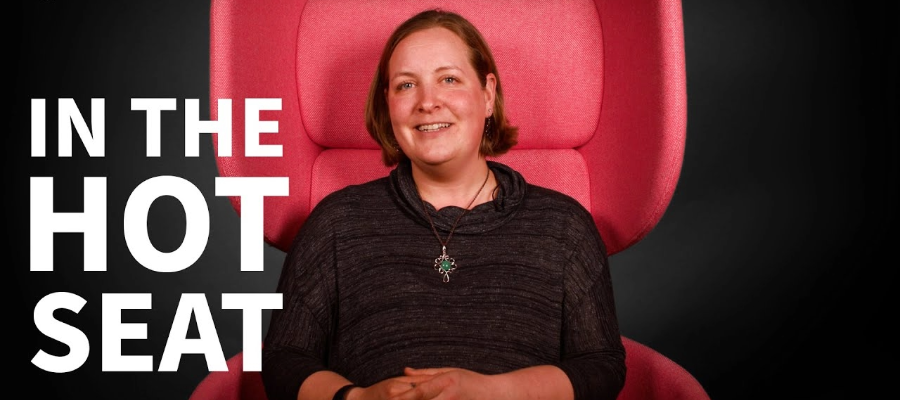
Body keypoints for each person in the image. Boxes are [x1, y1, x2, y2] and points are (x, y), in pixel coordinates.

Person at [261, 9, 625, 400]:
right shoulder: (336, 222)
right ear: (387, 104)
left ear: (487, 94)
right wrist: (359, 398)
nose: (427, 102)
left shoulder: (565, 226)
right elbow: (284, 360)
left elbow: (601, 366)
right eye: (405, 85)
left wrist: (493, 392)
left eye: (448, 79)